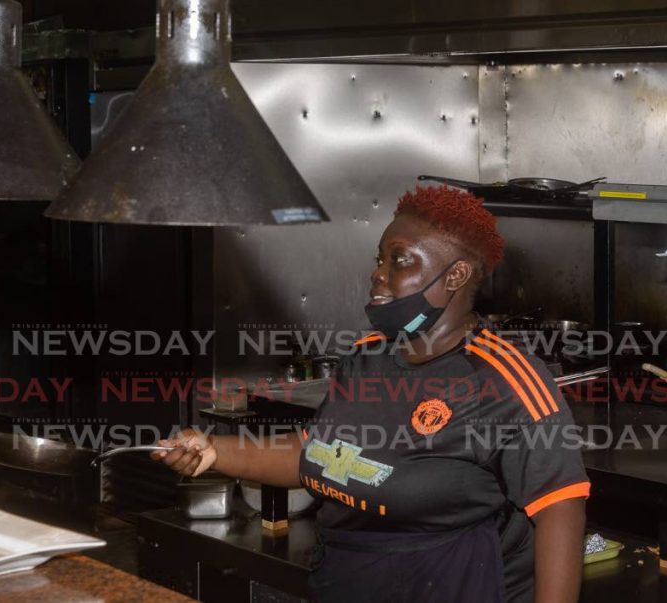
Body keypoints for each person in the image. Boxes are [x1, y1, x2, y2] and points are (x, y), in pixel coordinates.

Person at [155, 185, 588, 603]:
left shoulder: (501, 379)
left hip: (453, 584)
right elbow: (320, 451)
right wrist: (215, 451)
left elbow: (559, 509)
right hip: (352, 580)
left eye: (400, 261)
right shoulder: (367, 358)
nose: (378, 274)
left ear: (455, 274)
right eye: (380, 259)